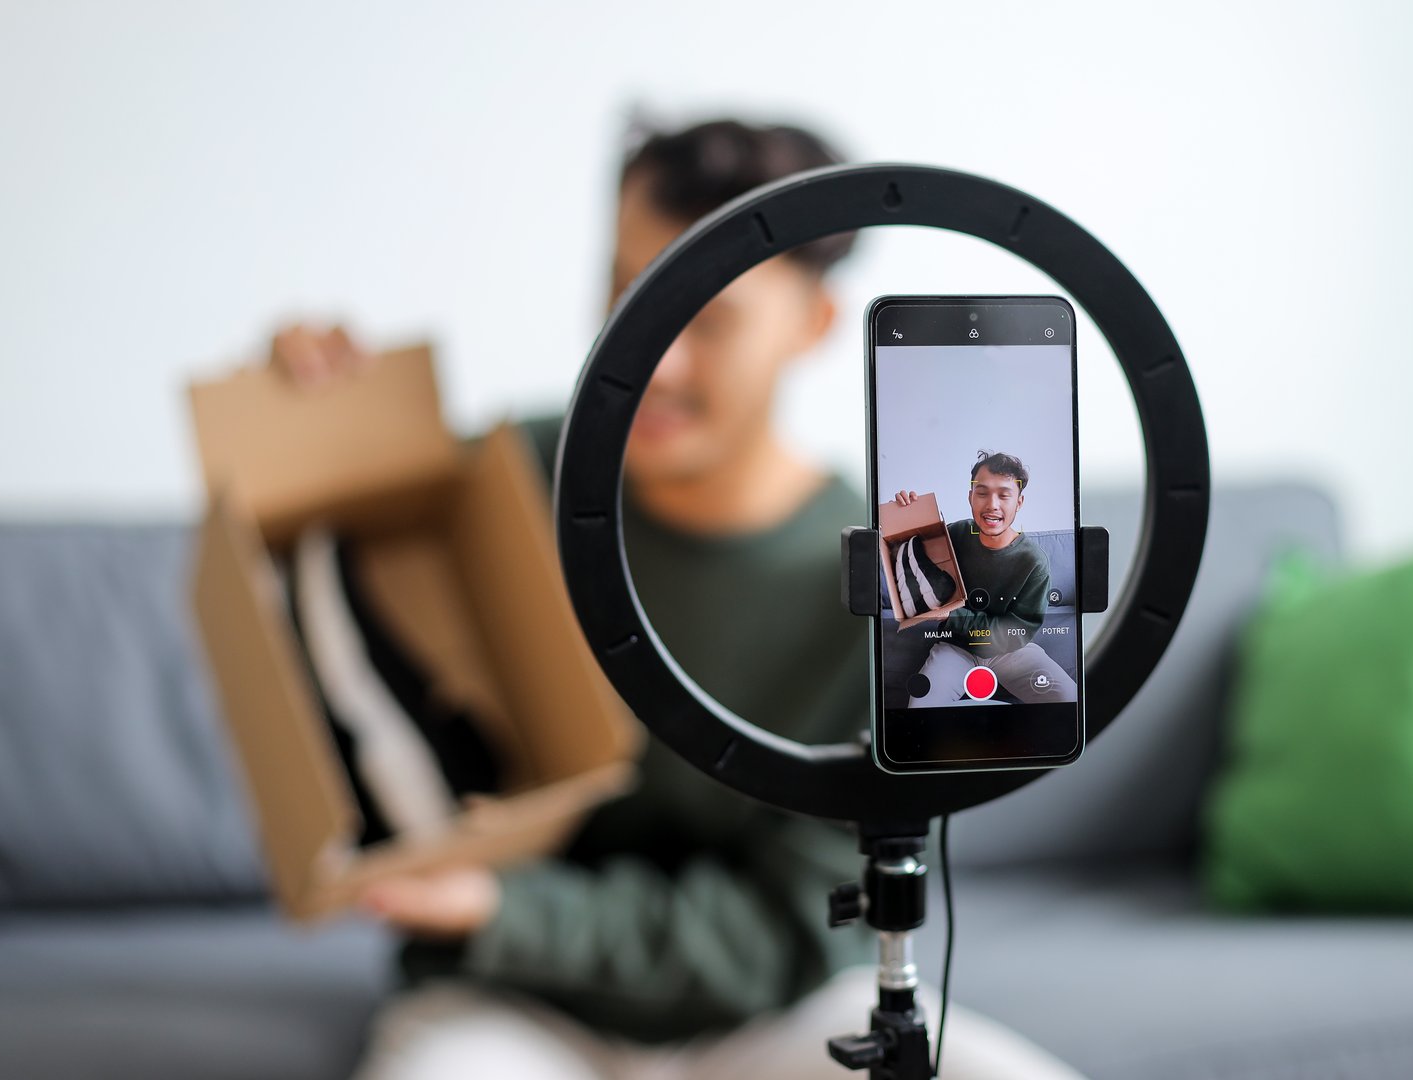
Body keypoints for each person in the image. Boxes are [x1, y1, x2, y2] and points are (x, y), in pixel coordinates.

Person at [269, 117, 1083, 1079]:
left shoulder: (898, 585)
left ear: (814, 325)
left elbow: (784, 929)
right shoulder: (514, 478)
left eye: (707, 315)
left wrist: (505, 907)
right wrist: (304, 415)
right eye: (628, 293)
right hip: (503, 1003)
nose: (655, 356)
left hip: (772, 1011)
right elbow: (313, 593)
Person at [893, 451, 1075, 706]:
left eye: (1004, 494)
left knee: (1070, 700)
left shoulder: (1033, 561)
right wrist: (905, 512)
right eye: (982, 492)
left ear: (1019, 502)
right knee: (920, 705)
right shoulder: (956, 533)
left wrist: (952, 614)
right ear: (970, 497)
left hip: (1010, 651)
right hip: (955, 647)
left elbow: (1017, 632)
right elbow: (910, 552)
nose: (992, 504)